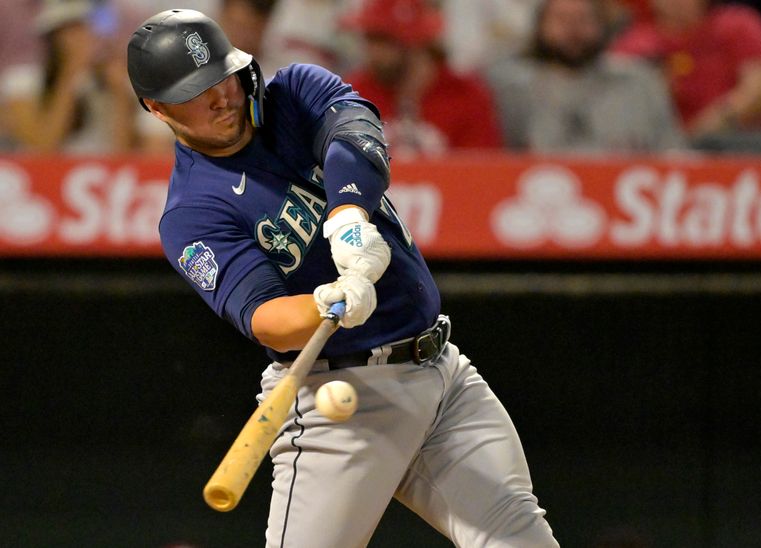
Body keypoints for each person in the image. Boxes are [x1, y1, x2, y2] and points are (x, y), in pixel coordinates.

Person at [127, 8, 559, 548]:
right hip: (339, 399)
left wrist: (347, 214)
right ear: (156, 108)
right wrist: (327, 301)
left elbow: (357, 132)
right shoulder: (192, 212)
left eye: (224, 77)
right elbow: (265, 319)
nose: (221, 97)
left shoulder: (294, 92)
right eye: (197, 91)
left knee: (521, 539)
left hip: (443, 374)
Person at [487, 0, 684, 153]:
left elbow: (674, 155)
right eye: (561, 19)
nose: (573, 30)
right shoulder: (512, 89)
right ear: (539, 27)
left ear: (602, 24)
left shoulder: (640, 82)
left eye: (583, 19)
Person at [612, 0, 761, 152]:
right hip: (666, 151)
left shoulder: (736, 24)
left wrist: (715, 122)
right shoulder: (632, 45)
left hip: (742, 141)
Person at [341, 0, 502, 155]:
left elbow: (481, 172)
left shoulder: (465, 96)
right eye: (368, 40)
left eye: (382, 41)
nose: (371, 52)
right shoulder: (354, 93)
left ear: (415, 42)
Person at [0, 0, 137, 153]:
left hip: (94, 171)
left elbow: (121, 152)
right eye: (70, 30)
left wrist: (120, 97)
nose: (81, 38)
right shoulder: (22, 80)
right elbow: (43, 146)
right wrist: (70, 71)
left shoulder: (105, 78)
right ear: (52, 37)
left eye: (84, 27)